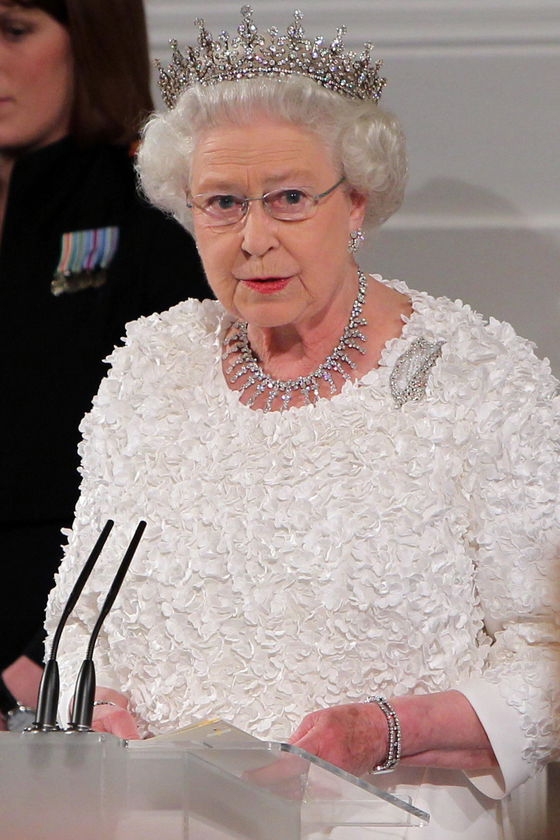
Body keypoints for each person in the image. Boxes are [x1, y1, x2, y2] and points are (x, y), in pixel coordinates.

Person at [45, 7, 559, 838]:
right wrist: (91, 707)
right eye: (221, 202)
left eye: (288, 198)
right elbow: (80, 616)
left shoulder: (478, 379)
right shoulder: (150, 363)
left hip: (380, 817)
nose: (254, 239)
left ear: (356, 200)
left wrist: (383, 730)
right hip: (155, 815)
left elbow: (549, 659)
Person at [0, 0, 211, 730]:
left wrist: (35, 663)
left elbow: (188, 475)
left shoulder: (157, 220)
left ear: (90, 40)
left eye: (14, 29)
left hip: (77, 647)